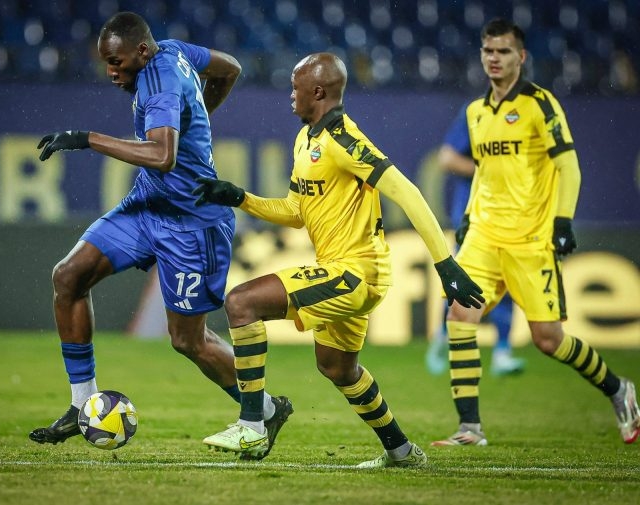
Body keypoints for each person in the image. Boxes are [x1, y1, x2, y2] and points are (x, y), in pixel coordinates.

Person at [193, 52, 484, 466]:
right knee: (337, 368)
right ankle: (401, 451)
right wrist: (240, 198)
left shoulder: (344, 141)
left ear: (317, 92)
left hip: (355, 271)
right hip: (343, 269)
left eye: (295, 87)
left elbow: (409, 193)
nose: (290, 95)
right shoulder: (305, 139)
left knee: (241, 302)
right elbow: (296, 212)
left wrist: (445, 264)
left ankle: (252, 425)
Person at [28, 12, 293, 459]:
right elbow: (229, 68)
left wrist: (87, 139)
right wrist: (198, 115)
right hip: (149, 205)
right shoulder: (174, 49)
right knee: (69, 276)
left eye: (116, 62)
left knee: (188, 340)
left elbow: (162, 155)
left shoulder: (161, 80)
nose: (111, 72)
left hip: (193, 223)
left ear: (141, 52)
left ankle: (266, 409)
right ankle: (81, 404)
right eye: (106, 63)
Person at [432, 18, 640, 447]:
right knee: (459, 316)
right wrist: (469, 216)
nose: (494, 58)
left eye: (503, 51)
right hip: (484, 236)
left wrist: (562, 221)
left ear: (521, 57)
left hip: (530, 239)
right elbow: (483, 172)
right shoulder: (475, 112)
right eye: (488, 50)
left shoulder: (539, 104)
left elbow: (569, 166)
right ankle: (470, 428)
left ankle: (618, 388)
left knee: (548, 339)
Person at [425, 103, 524, 377]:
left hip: (509, 216)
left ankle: (503, 351)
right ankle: (443, 336)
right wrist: (487, 170)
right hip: (473, 216)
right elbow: (447, 158)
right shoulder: (477, 112)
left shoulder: (529, 111)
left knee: (507, 280)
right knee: (461, 278)